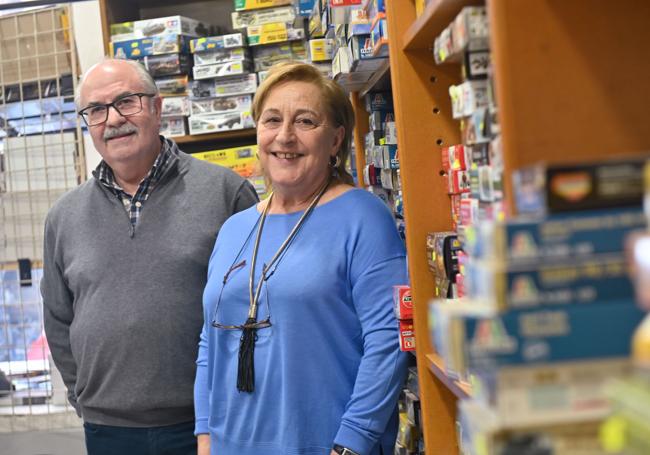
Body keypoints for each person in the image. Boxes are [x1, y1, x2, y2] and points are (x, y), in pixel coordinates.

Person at [41, 59, 259, 455]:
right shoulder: (63, 216)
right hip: (108, 430)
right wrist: (84, 396)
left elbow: (257, 306)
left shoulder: (228, 194)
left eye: (127, 101)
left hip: (209, 423)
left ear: (158, 108)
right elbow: (58, 317)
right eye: (96, 109)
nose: (113, 119)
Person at [194, 62, 409, 455]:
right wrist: (206, 436)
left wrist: (351, 444)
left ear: (336, 140)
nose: (285, 136)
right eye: (272, 120)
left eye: (305, 121)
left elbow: (389, 342)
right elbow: (210, 341)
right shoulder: (235, 229)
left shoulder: (363, 217)